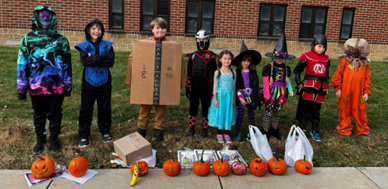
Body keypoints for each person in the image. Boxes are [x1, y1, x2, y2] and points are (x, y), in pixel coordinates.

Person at [17, 5, 72, 154]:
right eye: (42, 15)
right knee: (39, 114)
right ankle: (40, 140)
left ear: (53, 17)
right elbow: (22, 64)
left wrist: (67, 85)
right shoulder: (27, 39)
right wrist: (21, 88)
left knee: (55, 113)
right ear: (36, 17)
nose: (46, 18)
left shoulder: (61, 39)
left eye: (49, 15)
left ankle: (54, 139)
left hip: (57, 86)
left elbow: (67, 63)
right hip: (36, 86)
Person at [126, 17, 185, 142]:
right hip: (147, 81)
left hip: (163, 82)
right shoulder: (144, 45)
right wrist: (131, 80)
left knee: (161, 107)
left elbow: (179, 63)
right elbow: (132, 59)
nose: (160, 30)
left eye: (163, 28)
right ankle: (141, 129)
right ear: (152, 29)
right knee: (145, 106)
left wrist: (179, 83)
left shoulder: (171, 46)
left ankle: (158, 129)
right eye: (157, 28)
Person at [74, 18, 115, 147]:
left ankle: (105, 131)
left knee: (105, 107)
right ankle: (83, 134)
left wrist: (94, 58)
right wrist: (102, 57)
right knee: (86, 109)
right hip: (88, 82)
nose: (96, 31)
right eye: (93, 29)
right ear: (88, 30)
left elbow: (111, 62)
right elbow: (85, 62)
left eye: (99, 28)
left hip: (105, 82)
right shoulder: (84, 46)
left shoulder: (107, 46)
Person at [331, 38, 372, 138]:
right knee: (344, 109)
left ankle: (362, 129)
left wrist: (366, 91)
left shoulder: (365, 63)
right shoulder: (345, 61)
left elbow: (367, 78)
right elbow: (338, 76)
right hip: (346, 91)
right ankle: (345, 129)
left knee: (361, 110)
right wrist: (338, 88)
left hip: (360, 92)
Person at [293, 34, 330, 142]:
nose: (321, 49)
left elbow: (326, 74)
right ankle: (303, 127)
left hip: (321, 86)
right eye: (319, 46)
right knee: (305, 107)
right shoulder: (306, 56)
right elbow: (297, 70)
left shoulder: (326, 59)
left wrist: (326, 87)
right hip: (308, 85)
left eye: (323, 47)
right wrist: (299, 83)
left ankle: (315, 128)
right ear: (314, 45)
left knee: (316, 108)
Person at [261, 32, 294, 140]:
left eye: (281, 58)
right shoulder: (268, 67)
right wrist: (266, 93)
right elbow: (266, 81)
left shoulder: (286, 68)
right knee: (269, 110)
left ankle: (274, 129)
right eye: (277, 57)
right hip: (271, 92)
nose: (279, 59)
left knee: (277, 111)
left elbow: (287, 80)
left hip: (281, 93)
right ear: (274, 57)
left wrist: (290, 90)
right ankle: (265, 130)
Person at [186, 29, 218, 141]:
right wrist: (187, 86)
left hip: (206, 86)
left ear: (208, 41)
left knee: (206, 107)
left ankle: (205, 128)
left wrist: (214, 88)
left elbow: (215, 73)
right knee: (193, 106)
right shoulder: (192, 56)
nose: (201, 43)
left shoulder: (212, 56)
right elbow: (189, 72)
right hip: (195, 86)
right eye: (199, 40)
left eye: (204, 40)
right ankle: (192, 127)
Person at [232, 41, 261, 142]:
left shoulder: (253, 72)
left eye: (248, 61)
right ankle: (238, 133)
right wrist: (241, 98)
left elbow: (255, 85)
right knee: (240, 115)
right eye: (244, 61)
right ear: (240, 62)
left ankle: (252, 133)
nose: (246, 63)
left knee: (251, 115)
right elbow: (236, 86)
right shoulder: (237, 73)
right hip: (241, 97)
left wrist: (252, 97)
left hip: (251, 97)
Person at [208, 50, 237, 145]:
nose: (227, 61)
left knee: (228, 113)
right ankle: (220, 133)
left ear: (231, 60)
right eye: (225, 59)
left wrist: (234, 99)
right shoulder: (218, 72)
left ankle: (227, 133)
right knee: (221, 113)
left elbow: (234, 86)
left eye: (229, 59)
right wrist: (215, 99)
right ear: (220, 60)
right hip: (220, 97)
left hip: (229, 97)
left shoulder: (233, 72)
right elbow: (215, 87)